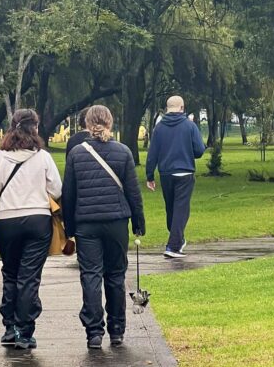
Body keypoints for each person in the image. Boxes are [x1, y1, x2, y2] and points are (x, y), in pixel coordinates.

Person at [0, 108, 62, 351]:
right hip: (37, 220)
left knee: (10, 272)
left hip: (6, 221)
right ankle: (25, 329)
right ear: (36, 127)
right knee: (29, 276)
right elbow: (57, 189)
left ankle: (9, 326)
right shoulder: (42, 157)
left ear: (12, 126)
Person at [62, 104, 145, 349]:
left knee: (90, 275)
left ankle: (94, 331)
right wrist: (138, 222)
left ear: (88, 124)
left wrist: (69, 228)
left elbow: (69, 193)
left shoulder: (76, 153)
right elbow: (133, 191)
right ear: (110, 122)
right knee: (116, 275)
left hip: (87, 224)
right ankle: (117, 329)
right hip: (117, 221)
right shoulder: (123, 152)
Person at [145, 95, 205, 259]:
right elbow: (199, 150)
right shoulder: (189, 126)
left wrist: (150, 175)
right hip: (185, 171)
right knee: (180, 209)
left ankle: (176, 239)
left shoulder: (159, 128)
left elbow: (153, 154)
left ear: (167, 108)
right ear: (182, 108)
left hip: (166, 173)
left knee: (171, 208)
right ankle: (173, 245)